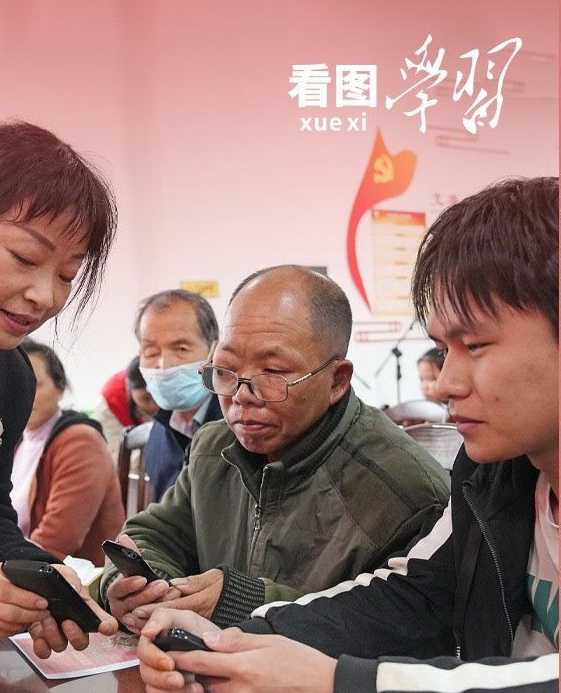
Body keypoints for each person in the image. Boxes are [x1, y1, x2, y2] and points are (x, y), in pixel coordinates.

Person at [137, 178, 558, 693]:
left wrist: (339, 690)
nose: (447, 384)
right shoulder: (496, 475)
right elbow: (411, 592)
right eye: (444, 350)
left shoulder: (408, 480)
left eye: (477, 346)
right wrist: (234, 643)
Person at [100, 266, 449, 634]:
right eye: (226, 369)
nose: (241, 396)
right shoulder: (214, 446)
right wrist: (142, 590)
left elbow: (391, 630)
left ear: (337, 380)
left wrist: (243, 604)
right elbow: (152, 535)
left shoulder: (403, 492)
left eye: (272, 372)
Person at [0, 121, 118, 655]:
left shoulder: (10, 377)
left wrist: (39, 576)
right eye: (26, 258)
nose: (44, 297)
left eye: (67, 276)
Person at [10, 339, 124, 566]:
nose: (22, 393)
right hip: (25, 561)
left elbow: (58, 540)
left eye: (35, 383)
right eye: (13, 384)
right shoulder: (15, 439)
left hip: (78, 576)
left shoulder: (81, 442)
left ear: (60, 388)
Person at [136, 289, 223, 498]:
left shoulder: (239, 425)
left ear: (214, 351)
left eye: (181, 349)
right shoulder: (158, 432)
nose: (164, 365)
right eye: (151, 352)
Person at [94, 357, 158, 459]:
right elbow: (115, 457)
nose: (154, 406)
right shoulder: (108, 404)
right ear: (129, 389)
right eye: (145, 398)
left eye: (158, 396)